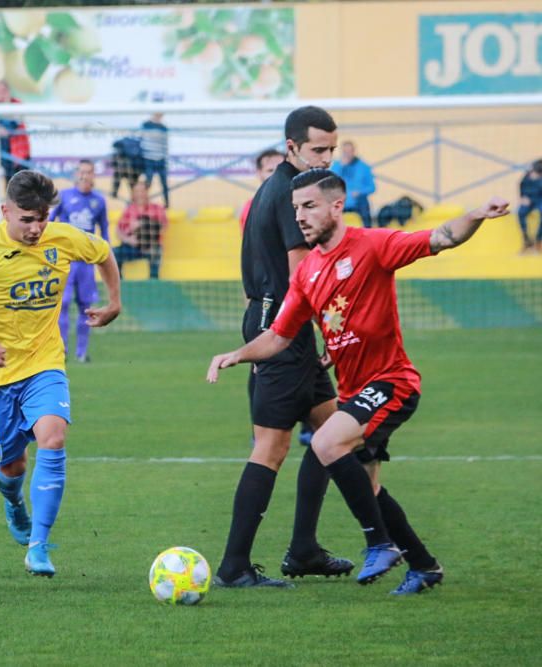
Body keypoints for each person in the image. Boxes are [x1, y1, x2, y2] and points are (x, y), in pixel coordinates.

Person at [209, 168, 509, 594]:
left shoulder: (373, 245)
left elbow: (440, 236)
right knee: (368, 483)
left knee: (327, 443)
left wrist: (476, 214)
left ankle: (379, 542)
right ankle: (423, 565)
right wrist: (237, 354)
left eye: (309, 206)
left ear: (336, 205)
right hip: (355, 392)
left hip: (392, 382)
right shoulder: (308, 272)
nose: (300, 217)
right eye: (296, 209)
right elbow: (278, 335)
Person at [0, 170, 121, 577]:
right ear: (5, 211)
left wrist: (114, 301)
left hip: (44, 364)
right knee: (12, 466)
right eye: (27, 219)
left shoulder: (63, 237)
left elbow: (104, 252)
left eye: (43, 217)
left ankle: (39, 546)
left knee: (53, 438)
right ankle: (13, 502)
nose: (37, 227)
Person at [214, 106, 353, 589]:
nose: (327, 158)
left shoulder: (282, 188)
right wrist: (336, 331)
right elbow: (303, 276)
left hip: (286, 322)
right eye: (318, 149)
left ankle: (304, 549)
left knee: (333, 432)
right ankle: (234, 566)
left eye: (332, 149)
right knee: (271, 447)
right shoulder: (293, 195)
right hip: (282, 325)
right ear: (291, 147)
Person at [239, 148, 313, 447]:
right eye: (266, 170)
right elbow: (256, 255)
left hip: (288, 301)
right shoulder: (256, 206)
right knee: (271, 448)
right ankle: (262, 429)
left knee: (328, 421)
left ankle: (308, 426)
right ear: (259, 174)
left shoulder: (293, 200)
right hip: (273, 301)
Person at [49, 159, 109, 362]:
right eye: (82, 172)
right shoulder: (64, 197)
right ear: (76, 174)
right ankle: (62, 350)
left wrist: (105, 260)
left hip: (86, 262)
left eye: (89, 172)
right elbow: (49, 223)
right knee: (62, 303)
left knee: (86, 307)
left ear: (93, 176)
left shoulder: (99, 201)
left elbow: (105, 232)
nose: (85, 176)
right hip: (65, 260)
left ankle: (81, 353)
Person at [113, 180, 167, 279]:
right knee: (113, 253)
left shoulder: (157, 208)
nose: (140, 194)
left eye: (142, 191)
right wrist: (129, 237)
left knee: (157, 251)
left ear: (147, 192)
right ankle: (119, 283)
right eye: (137, 191)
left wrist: (145, 225)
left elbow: (163, 227)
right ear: (133, 194)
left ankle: (153, 282)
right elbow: (118, 231)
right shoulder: (129, 210)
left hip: (151, 246)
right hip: (133, 247)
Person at [0, 79, 31, 183]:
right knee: (9, 183)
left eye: (3, 91)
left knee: (24, 182)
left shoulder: (16, 103)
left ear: (8, 91)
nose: (1, 94)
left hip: (20, 150)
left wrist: (7, 102)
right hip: (4, 150)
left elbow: (15, 123)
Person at [331, 141, 376, 228]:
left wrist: (360, 192)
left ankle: (368, 231)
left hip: (358, 202)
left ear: (354, 151)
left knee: (365, 207)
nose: (347, 154)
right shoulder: (336, 166)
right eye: (345, 152)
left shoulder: (364, 167)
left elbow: (372, 187)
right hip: (341, 201)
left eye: (349, 151)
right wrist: (341, 167)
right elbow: (330, 183)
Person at [239, 149, 284, 233]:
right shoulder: (251, 208)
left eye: (281, 169)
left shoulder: (299, 202)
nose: (277, 174)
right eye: (270, 170)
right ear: (259, 173)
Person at [140, 112, 169, 208]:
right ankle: (143, 202)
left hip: (161, 159)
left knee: (164, 183)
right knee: (148, 182)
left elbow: (165, 145)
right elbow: (143, 139)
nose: (159, 116)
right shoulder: (146, 125)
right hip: (149, 158)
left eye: (160, 115)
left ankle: (167, 204)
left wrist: (165, 158)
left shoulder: (164, 127)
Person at [517, 158, 542, 253]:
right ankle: (527, 240)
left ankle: (539, 240)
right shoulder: (527, 175)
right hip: (529, 199)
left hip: (540, 199)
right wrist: (523, 197)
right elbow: (521, 185)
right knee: (521, 212)